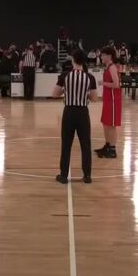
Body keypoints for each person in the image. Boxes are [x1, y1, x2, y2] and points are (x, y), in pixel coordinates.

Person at [52, 49, 98, 184]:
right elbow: (94, 98)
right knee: (86, 144)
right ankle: (87, 175)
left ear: (73, 60)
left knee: (66, 144)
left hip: (69, 112)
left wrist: (66, 91)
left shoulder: (65, 75)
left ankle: (64, 175)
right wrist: (84, 94)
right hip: (83, 113)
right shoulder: (90, 77)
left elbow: (54, 94)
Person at [95, 47, 122, 159]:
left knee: (111, 125)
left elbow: (116, 84)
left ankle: (112, 149)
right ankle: (107, 145)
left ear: (109, 56)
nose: (101, 57)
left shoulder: (112, 68)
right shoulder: (108, 67)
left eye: (103, 55)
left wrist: (104, 83)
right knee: (106, 123)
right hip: (108, 99)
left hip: (113, 100)